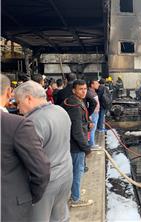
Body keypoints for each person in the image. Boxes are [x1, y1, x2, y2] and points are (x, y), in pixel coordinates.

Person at [14, 80, 73, 221]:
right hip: (66, 174)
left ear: (28, 98)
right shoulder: (60, 110)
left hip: (46, 184)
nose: (18, 108)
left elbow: (32, 161)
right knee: (60, 217)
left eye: (18, 103)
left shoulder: (32, 122)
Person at [1, 74, 50, 222]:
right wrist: (30, 196)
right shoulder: (17, 125)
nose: (19, 109)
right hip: (9, 208)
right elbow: (41, 171)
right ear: (9, 92)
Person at [62, 79, 93, 207]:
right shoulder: (75, 106)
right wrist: (86, 148)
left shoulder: (74, 101)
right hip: (76, 146)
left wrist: (87, 124)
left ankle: (75, 192)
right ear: (74, 90)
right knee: (77, 171)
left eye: (85, 89)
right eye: (81, 89)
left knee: (74, 171)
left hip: (71, 143)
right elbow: (77, 131)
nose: (84, 91)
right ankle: (75, 198)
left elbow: (80, 123)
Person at [88, 79, 100, 148]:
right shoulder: (90, 93)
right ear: (92, 85)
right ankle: (91, 144)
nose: (98, 84)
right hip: (93, 113)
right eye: (96, 83)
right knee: (92, 128)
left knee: (93, 129)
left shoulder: (92, 92)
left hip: (95, 112)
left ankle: (91, 143)